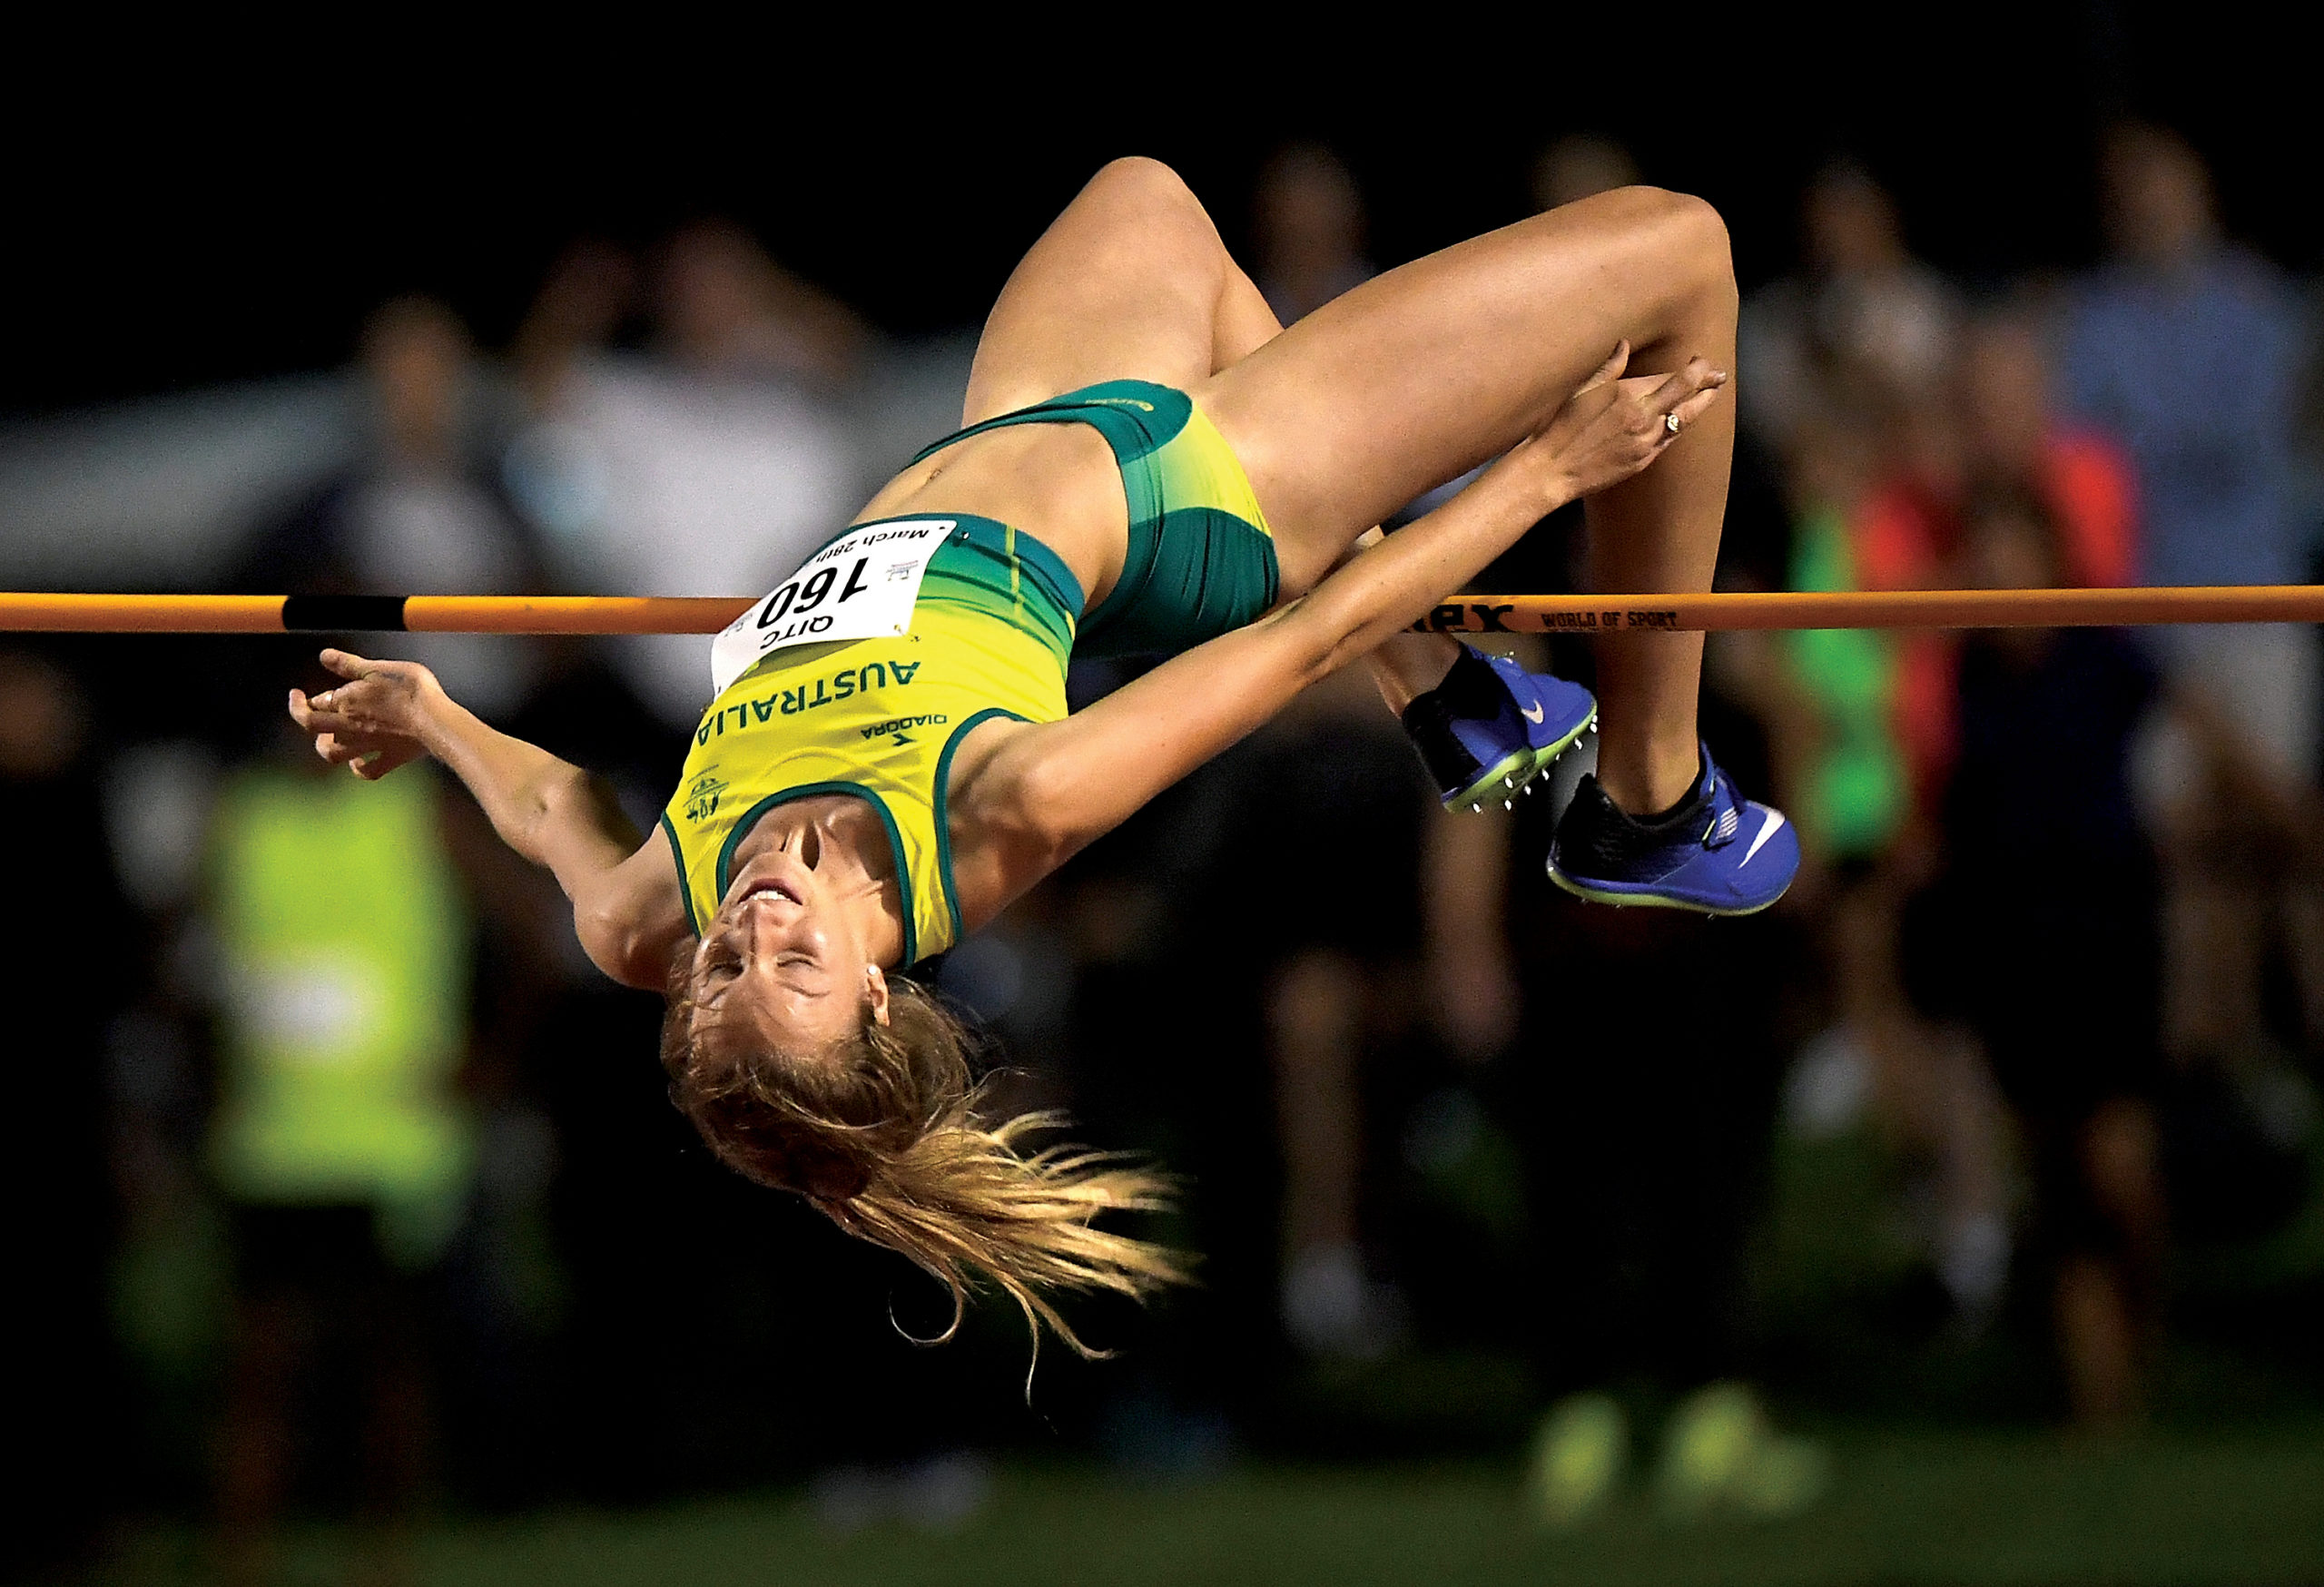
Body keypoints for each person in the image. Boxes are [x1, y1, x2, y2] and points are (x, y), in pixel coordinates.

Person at [281, 158, 1797, 1353]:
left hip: (1024, 426)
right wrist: (1547, 468)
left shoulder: (643, 916)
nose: (746, 936)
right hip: (1212, 490)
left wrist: (428, 719)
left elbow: (554, 799)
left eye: (717, 977)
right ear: (874, 987)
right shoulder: (999, 809)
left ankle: (1450, 692)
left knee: (1149, 195)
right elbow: (1295, 646)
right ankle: (1650, 804)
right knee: (1680, 251)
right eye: (788, 974)